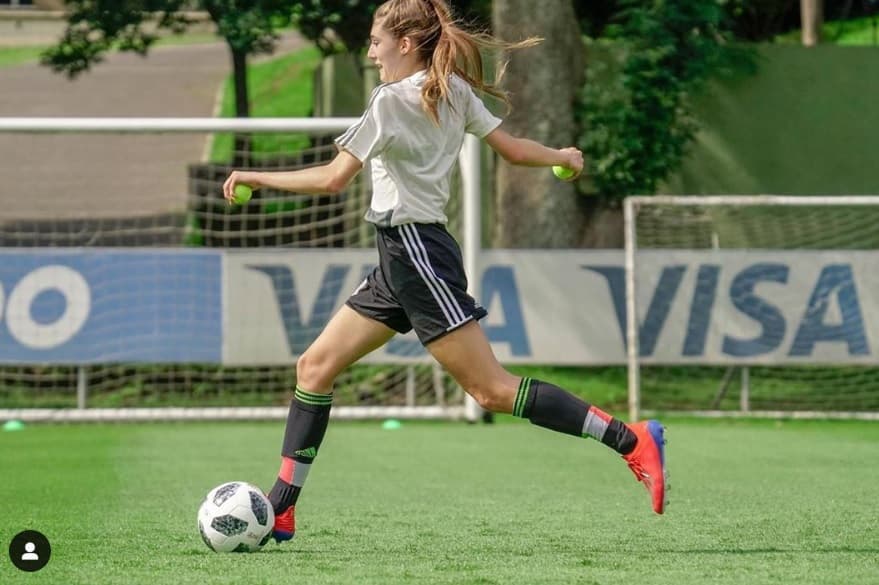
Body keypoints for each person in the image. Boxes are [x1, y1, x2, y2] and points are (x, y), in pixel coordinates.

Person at [223, 0, 667, 543]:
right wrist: (563, 155)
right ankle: (282, 506)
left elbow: (335, 178)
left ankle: (631, 439)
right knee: (314, 367)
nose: (370, 52)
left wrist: (258, 177)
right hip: (403, 254)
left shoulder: (391, 100)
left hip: (415, 254)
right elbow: (511, 149)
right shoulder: (453, 89)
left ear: (406, 43)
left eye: (376, 41)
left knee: (493, 391)